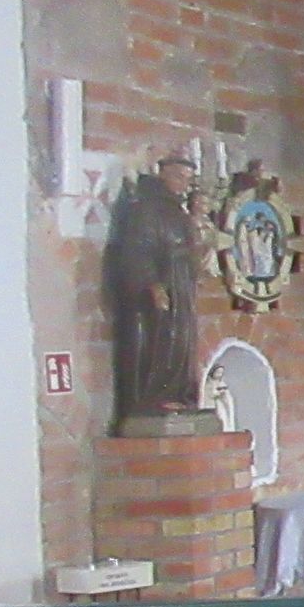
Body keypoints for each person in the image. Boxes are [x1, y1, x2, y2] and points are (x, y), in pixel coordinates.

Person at [107, 153, 205, 424]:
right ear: (163, 174)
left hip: (181, 284)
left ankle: (178, 394)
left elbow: (191, 249)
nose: (183, 185)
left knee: (182, 341)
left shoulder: (179, 211)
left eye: (187, 180)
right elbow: (138, 250)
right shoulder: (146, 208)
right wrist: (152, 284)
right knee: (163, 339)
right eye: (178, 177)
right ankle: (155, 397)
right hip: (161, 283)